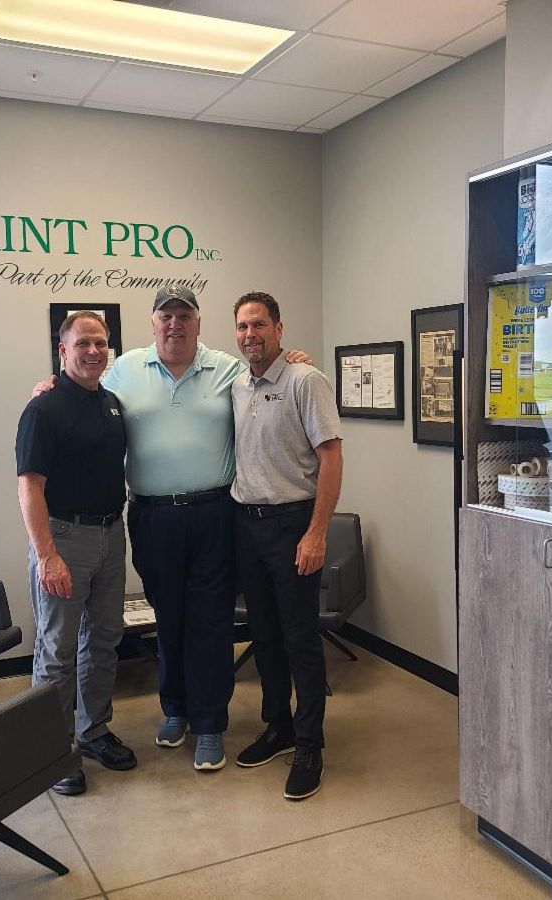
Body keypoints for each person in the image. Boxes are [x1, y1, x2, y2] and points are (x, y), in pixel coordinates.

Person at [33, 287, 310, 772]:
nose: (175, 323)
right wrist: (47, 388)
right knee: (169, 617)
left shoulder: (227, 369)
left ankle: (209, 722)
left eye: (184, 315)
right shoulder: (124, 370)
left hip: (213, 514)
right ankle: (176, 709)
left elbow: (268, 372)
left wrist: (295, 360)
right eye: (166, 315)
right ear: (153, 323)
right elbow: (81, 389)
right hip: (152, 517)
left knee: (210, 621)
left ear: (198, 323)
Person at [16, 311, 137, 796]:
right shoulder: (43, 410)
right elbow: (29, 488)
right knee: (57, 649)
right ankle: (53, 750)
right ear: (62, 351)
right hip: (63, 538)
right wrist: (47, 555)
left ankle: (93, 731)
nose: (93, 351)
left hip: (110, 534)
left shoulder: (111, 403)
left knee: (105, 638)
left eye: (101, 343)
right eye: (83, 343)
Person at [229, 291, 343, 801]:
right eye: (242, 326)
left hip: (293, 523)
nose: (250, 334)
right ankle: (278, 727)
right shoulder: (237, 385)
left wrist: (317, 532)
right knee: (265, 636)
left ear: (279, 329)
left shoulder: (305, 380)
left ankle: (309, 744)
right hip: (247, 525)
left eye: (259, 324)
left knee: (300, 638)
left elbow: (332, 457)